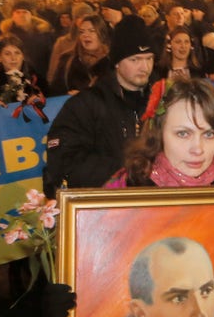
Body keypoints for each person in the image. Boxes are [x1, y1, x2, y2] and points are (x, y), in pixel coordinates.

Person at [45, 15, 155, 191]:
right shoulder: (86, 105)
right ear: (117, 63)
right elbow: (64, 161)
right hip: (104, 205)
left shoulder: (161, 102)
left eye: (149, 58)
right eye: (135, 60)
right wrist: (129, 171)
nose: (145, 67)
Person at [105, 78, 214, 188]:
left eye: (209, 134)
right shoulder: (126, 191)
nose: (198, 149)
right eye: (183, 134)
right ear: (158, 135)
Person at [0, 35, 46, 113]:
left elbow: (53, 100)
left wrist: (41, 100)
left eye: (17, 53)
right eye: (7, 54)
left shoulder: (36, 79)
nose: (13, 58)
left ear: (23, 56)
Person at [49, 14, 111, 96]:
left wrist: (87, 96)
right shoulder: (67, 59)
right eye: (82, 32)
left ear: (101, 34)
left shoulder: (112, 61)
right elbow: (55, 91)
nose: (85, 35)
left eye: (91, 31)